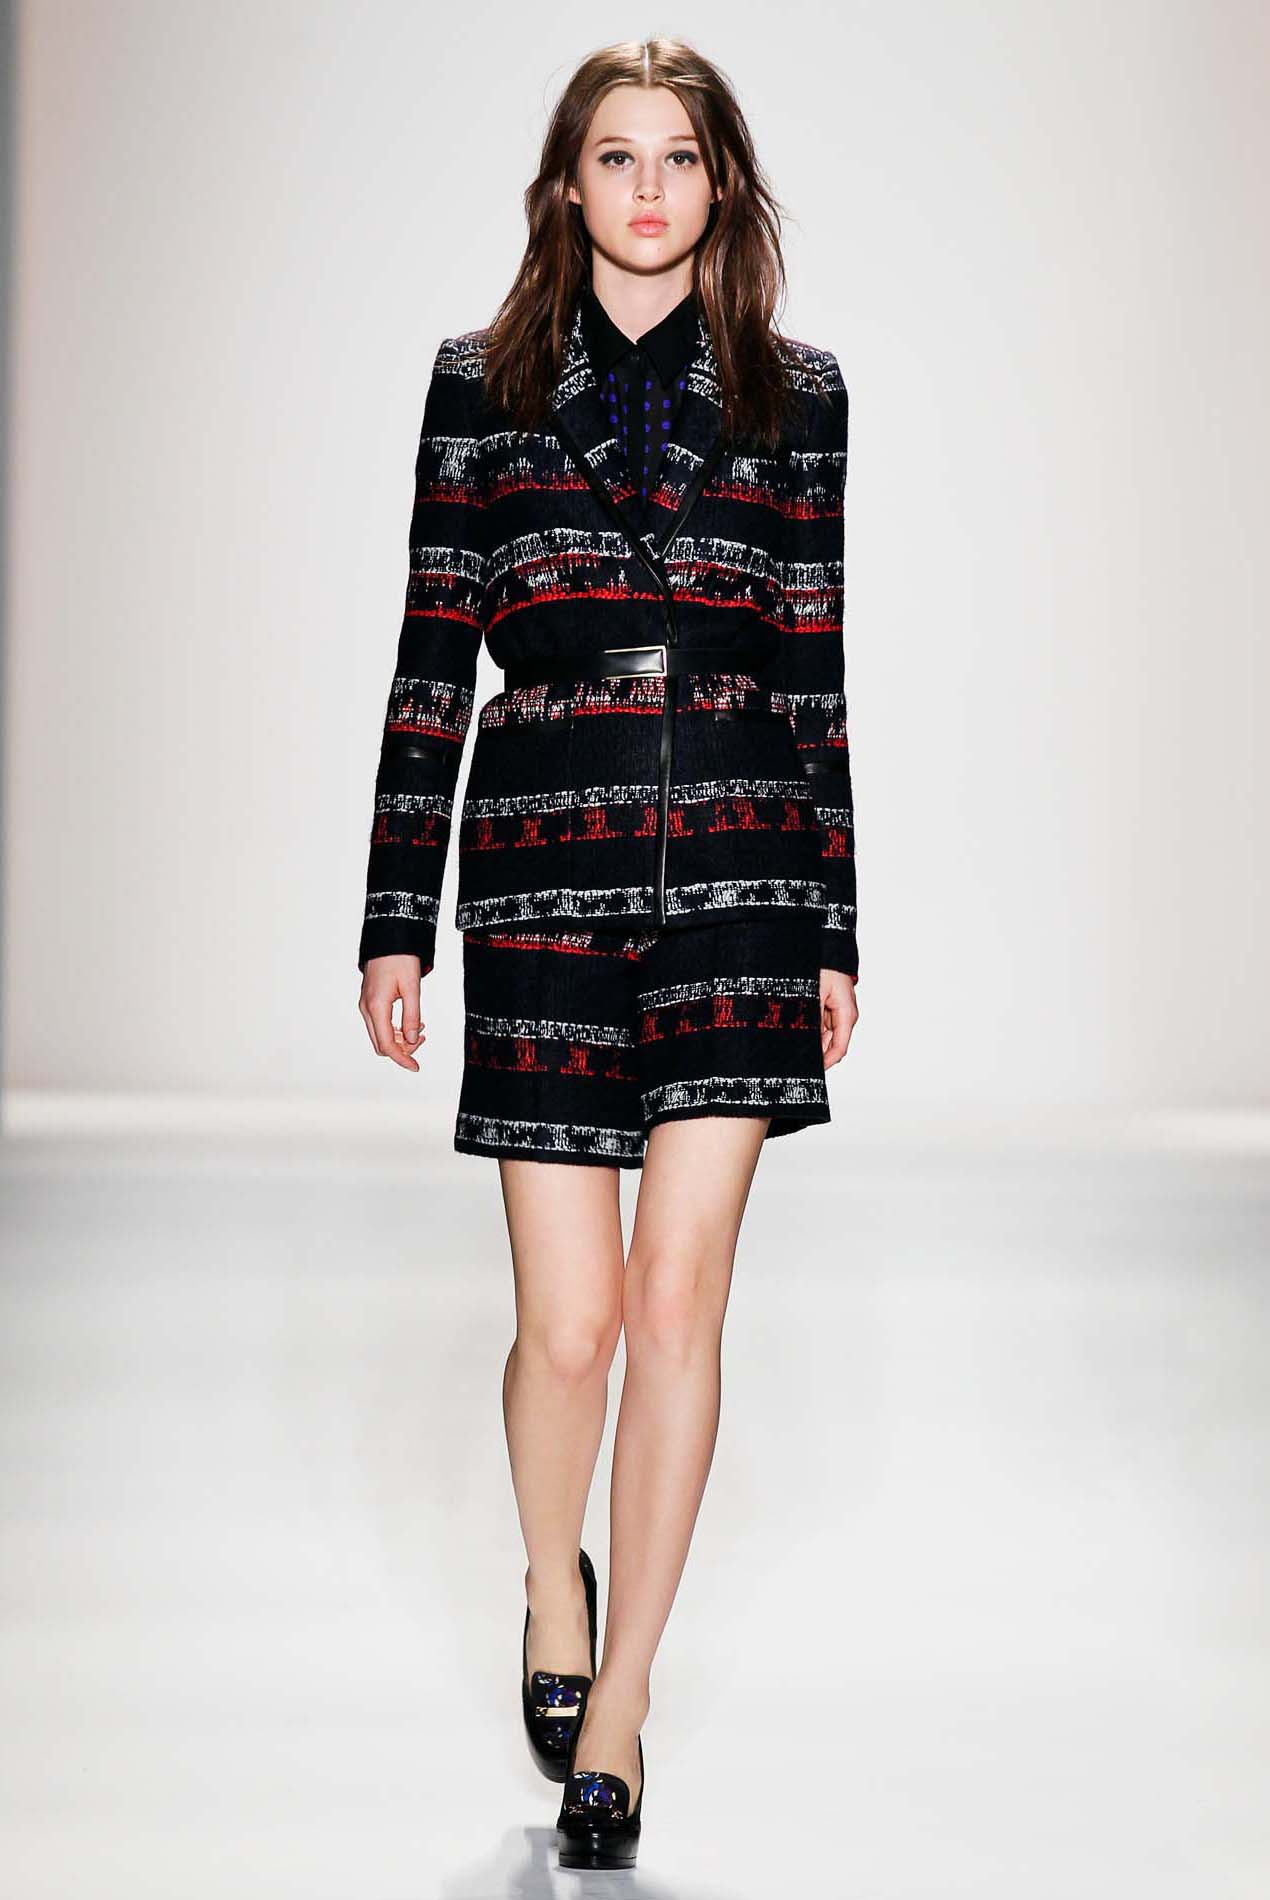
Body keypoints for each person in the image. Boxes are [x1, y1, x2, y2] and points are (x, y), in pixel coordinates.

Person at [356, 36, 859, 1872]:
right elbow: (434, 655)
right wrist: (393, 915)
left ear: (720, 185)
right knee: (566, 1332)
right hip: (541, 874)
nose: (649, 189)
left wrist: (834, 919)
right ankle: (550, 1587)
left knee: (672, 1307)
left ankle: (622, 1708)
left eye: (680, 157)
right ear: (566, 186)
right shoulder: (478, 385)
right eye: (616, 157)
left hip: (740, 863)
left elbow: (814, 661)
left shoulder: (796, 394)